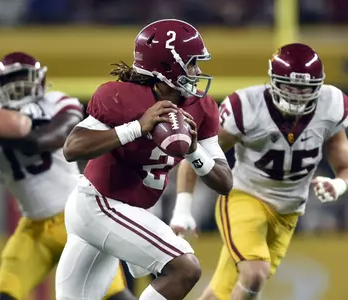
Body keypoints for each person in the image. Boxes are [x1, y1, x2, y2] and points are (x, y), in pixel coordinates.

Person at [55, 19, 233, 300]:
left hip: (122, 209)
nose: (198, 71)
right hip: (101, 203)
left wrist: (194, 151)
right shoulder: (121, 96)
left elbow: (224, 182)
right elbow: (72, 148)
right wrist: (136, 127)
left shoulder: (202, 108)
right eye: (191, 64)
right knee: (185, 268)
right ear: (167, 66)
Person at [174, 43, 348, 300]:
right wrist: (183, 210)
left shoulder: (332, 106)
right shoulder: (247, 106)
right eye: (289, 86)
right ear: (273, 81)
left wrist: (337, 185)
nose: (296, 95)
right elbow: (196, 155)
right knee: (254, 274)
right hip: (244, 197)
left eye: (304, 89)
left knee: (222, 291)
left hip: (289, 211)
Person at [0, 52, 132, 300]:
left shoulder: (56, 102)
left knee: (111, 294)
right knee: (6, 293)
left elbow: (49, 139)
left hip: (76, 218)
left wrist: (1, 127)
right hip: (33, 226)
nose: (18, 83)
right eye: (11, 78)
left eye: (23, 76)